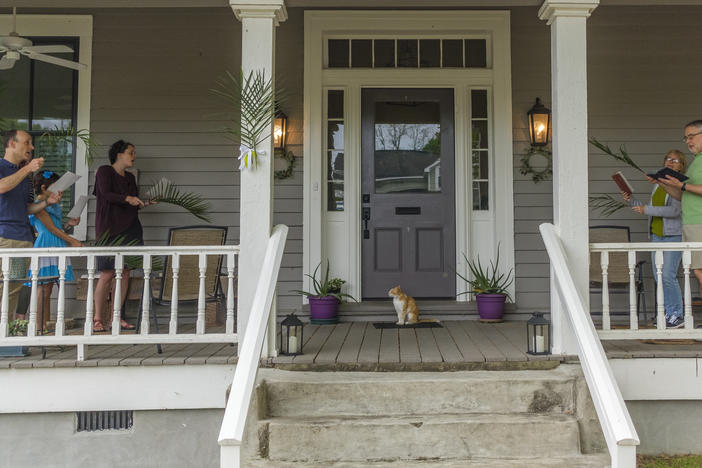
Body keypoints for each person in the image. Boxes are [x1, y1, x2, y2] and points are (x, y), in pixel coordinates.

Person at [0, 130, 60, 321]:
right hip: (4, 236)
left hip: (23, 238)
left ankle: (4, 337)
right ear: (12, 144)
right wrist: (27, 169)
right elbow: (1, 187)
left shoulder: (25, 177)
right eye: (27, 142)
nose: (31, 147)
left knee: (12, 289)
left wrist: (47, 203)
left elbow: (26, 208)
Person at [622, 150, 685, 328]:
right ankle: (668, 313)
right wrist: (631, 200)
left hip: (673, 236)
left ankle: (677, 315)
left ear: (681, 165)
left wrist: (646, 210)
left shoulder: (680, 184)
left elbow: (674, 212)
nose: (670, 162)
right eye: (668, 159)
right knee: (659, 277)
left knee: (668, 275)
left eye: (675, 160)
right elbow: (649, 207)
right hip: (657, 235)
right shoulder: (658, 185)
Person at [92, 140, 148, 332]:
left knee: (125, 272)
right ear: (119, 154)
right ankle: (98, 318)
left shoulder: (130, 178)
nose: (133, 156)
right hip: (109, 230)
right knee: (107, 273)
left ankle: (116, 317)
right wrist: (127, 198)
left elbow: (131, 202)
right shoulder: (104, 171)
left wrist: (142, 203)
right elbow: (105, 194)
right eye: (130, 152)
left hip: (130, 229)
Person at [25, 170, 83, 333]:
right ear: (44, 188)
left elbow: (57, 228)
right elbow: (49, 229)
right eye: (56, 187)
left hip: (56, 243)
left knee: (49, 288)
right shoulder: (38, 205)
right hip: (46, 245)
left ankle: (44, 326)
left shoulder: (54, 205)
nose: (61, 191)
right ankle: (38, 327)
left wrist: (68, 225)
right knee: (42, 288)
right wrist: (72, 241)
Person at [656, 121, 702, 314]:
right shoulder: (696, 162)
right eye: (686, 137)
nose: (688, 141)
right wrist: (665, 183)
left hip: (699, 223)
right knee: (699, 273)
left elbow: (687, 189)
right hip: (691, 223)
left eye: (692, 136)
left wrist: (682, 185)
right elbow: (683, 196)